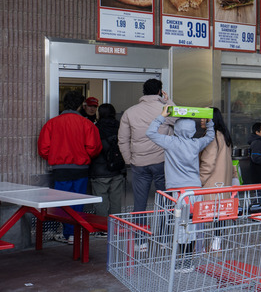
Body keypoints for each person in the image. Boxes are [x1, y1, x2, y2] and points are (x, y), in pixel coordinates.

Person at [146, 105, 215, 272]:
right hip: (195, 191)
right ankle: (187, 260)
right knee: (190, 227)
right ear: (192, 130)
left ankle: (185, 263)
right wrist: (208, 119)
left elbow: (150, 132)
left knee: (181, 228)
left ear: (176, 129)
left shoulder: (170, 142)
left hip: (179, 193)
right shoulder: (196, 143)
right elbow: (211, 135)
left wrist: (162, 115)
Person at [38, 91, 102, 244]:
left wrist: (57, 156)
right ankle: (75, 233)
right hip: (81, 169)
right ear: (80, 106)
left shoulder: (52, 123)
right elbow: (94, 148)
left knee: (63, 203)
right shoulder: (87, 124)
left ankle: (68, 233)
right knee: (78, 203)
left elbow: (43, 149)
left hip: (60, 169)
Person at [118, 79, 175, 213]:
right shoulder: (165, 109)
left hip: (139, 163)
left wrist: (129, 160)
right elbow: (178, 119)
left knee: (139, 202)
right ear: (160, 91)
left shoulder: (129, 112)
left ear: (144, 92)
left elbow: (122, 139)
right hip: (162, 161)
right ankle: (162, 233)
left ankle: (139, 232)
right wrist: (168, 101)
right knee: (165, 202)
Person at [89, 103, 125, 233]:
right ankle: (115, 227)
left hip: (100, 170)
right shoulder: (121, 127)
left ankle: (103, 228)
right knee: (115, 200)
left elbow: (93, 149)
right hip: (117, 169)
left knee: (101, 200)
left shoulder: (95, 128)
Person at [199, 108, 239, 190]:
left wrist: (198, 182)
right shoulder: (223, 135)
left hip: (212, 186)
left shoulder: (212, 138)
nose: (201, 120)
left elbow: (208, 164)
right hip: (223, 185)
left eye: (204, 117)